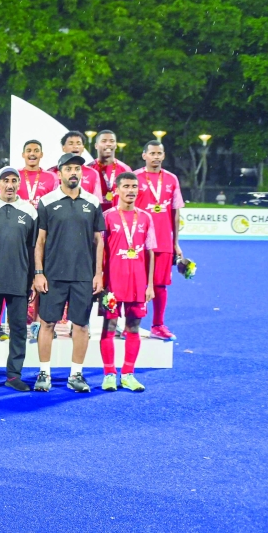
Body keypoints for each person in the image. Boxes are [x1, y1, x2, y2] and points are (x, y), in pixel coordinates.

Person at [32, 153, 105, 393]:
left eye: (77, 168)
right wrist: (39, 273)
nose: (74, 172)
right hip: (53, 275)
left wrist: (98, 274)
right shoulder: (47, 201)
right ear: (60, 172)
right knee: (46, 324)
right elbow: (40, 241)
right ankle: (44, 372)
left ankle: (76, 374)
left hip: (83, 275)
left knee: (82, 325)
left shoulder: (93, 202)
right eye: (69, 168)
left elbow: (98, 241)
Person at [0, 167, 38, 391]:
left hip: (19, 280)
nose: (9, 185)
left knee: (19, 330)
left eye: (13, 180)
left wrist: (32, 279)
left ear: (19, 184)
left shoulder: (30, 211)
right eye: (5, 180)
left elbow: (33, 248)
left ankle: (14, 375)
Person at [100, 172, 156, 392]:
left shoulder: (145, 217)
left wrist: (150, 284)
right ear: (117, 190)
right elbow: (100, 252)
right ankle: (109, 374)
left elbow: (151, 253)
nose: (131, 190)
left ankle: (128, 374)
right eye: (126, 186)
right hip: (113, 283)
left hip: (137, 283)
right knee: (109, 327)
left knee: (133, 327)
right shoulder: (107, 217)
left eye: (134, 186)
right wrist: (101, 281)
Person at [135, 140, 185, 341]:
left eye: (159, 153)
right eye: (152, 153)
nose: (156, 157)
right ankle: (130, 324)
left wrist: (176, 242)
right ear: (144, 155)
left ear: (163, 156)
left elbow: (175, 212)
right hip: (137, 240)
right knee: (134, 282)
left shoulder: (172, 179)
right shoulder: (135, 178)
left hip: (163, 240)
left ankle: (158, 325)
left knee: (160, 284)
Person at [47, 131, 102, 199]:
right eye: (71, 143)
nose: (75, 146)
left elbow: (97, 202)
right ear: (63, 148)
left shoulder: (93, 174)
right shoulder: (52, 173)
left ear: (83, 148)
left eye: (78, 143)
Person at [89, 130, 131, 212]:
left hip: (118, 218)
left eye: (112, 141)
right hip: (95, 217)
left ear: (115, 145)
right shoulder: (89, 169)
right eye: (104, 141)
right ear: (96, 145)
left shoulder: (125, 169)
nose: (108, 144)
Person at [17, 139, 58, 206]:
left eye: (36, 151)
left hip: (43, 216)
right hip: (19, 215)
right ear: (23, 155)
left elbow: (55, 202)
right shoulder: (15, 175)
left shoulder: (51, 177)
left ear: (41, 154)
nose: (32, 153)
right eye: (29, 151)